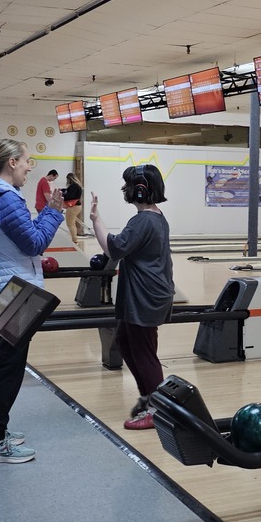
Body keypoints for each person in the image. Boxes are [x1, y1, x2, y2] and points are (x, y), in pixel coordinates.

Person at [0, 139, 63, 463]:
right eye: (26, 161)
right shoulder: (5, 198)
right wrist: (53, 212)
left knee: (2, 367)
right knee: (7, 370)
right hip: (14, 294)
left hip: (5, 290)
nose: (28, 167)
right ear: (11, 162)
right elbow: (34, 244)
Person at [89, 164, 174, 430]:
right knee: (125, 342)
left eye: (128, 186)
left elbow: (114, 248)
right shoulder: (154, 217)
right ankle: (150, 397)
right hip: (145, 293)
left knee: (144, 352)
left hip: (145, 296)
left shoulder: (144, 220)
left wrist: (96, 219)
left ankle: (157, 409)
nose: (124, 190)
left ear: (140, 191)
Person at [63, 172, 84, 243]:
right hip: (78, 206)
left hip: (73, 207)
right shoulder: (78, 185)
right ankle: (74, 239)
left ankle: (74, 240)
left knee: (70, 223)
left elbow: (70, 195)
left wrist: (62, 195)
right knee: (72, 223)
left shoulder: (73, 186)